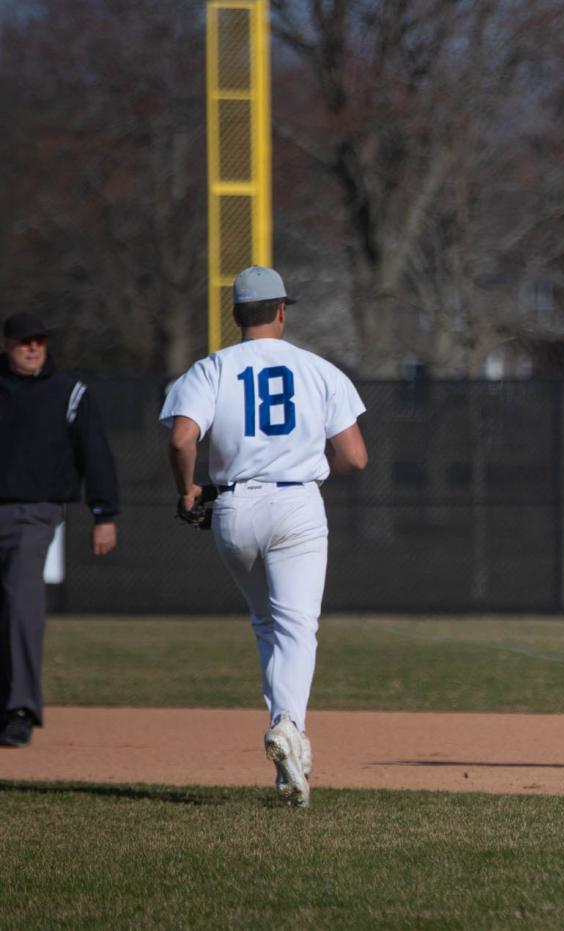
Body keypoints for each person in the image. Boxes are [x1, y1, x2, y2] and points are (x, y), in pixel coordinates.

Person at [160, 266, 368, 806]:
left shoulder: (211, 369)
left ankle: (287, 756)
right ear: (281, 311)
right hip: (296, 501)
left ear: (235, 316)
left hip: (233, 506)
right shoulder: (317, 369)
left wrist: (187, 491)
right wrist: (313, 464)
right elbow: (355, 457)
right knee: (297, 629)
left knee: (267, 626)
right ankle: (287, 725)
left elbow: (183, 438)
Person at [1, 312, 120, 748]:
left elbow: (96, 454)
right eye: (23, 341)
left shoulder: (69, 392)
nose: (33, 348)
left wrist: (104, 514)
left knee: (20, 603)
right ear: (8, 343)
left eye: (39, 341)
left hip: (34, 512)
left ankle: (20, 709)